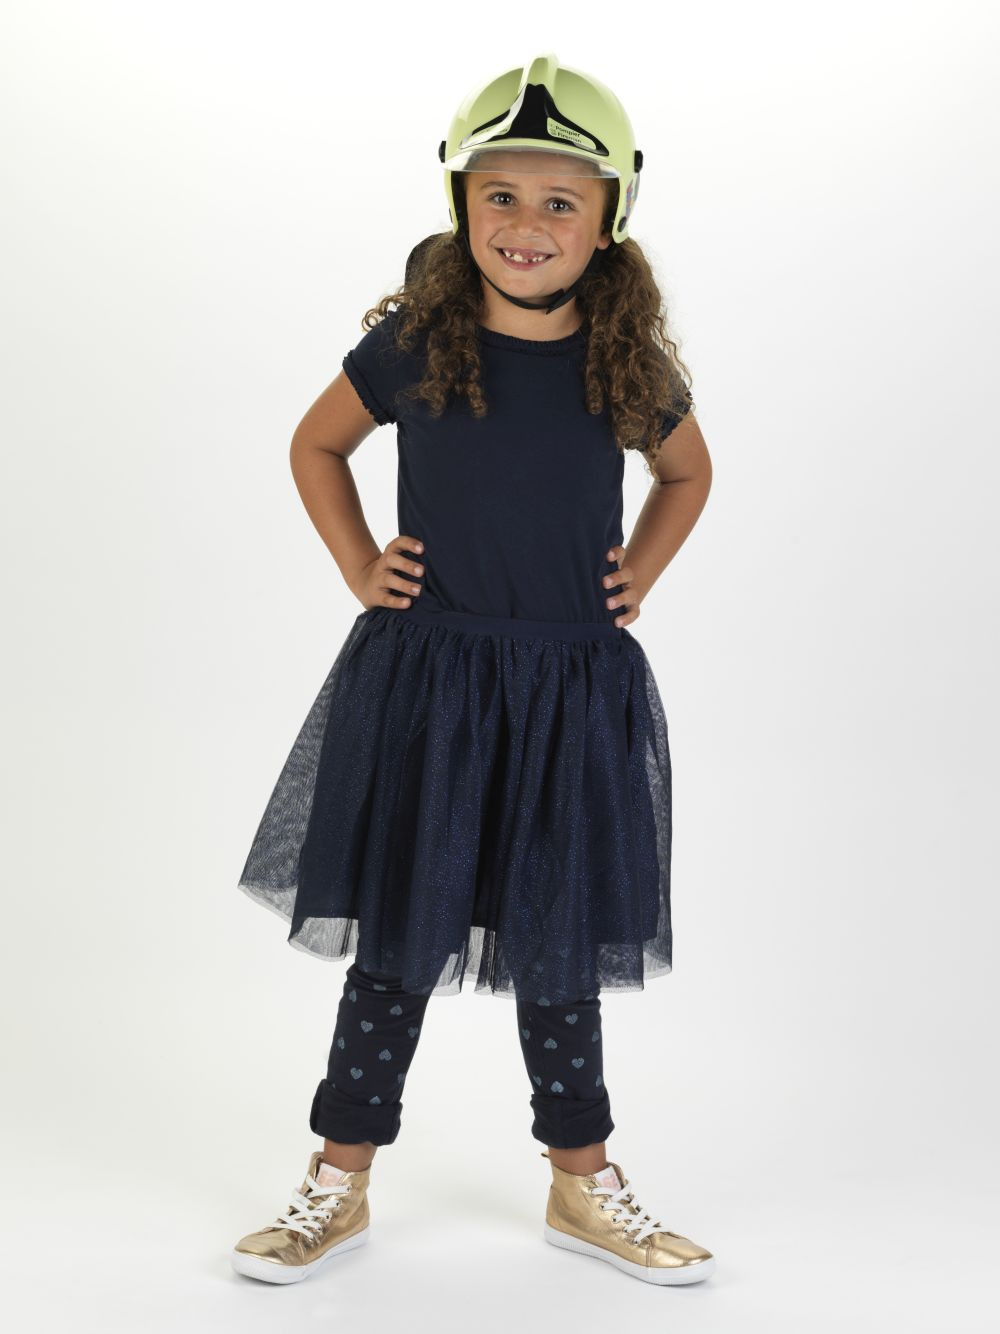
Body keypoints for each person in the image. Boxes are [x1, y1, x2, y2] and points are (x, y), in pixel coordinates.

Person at [230, 53, 715, 1288]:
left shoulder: (620, 360)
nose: (525, 222)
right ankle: (337, 1181)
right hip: (431, 686)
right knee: (397, 937)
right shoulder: (416, 343)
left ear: (609, 220)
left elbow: (686, 471)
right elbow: (316, 444)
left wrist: (640, 573)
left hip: (568, 688)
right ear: (460, 203)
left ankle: (580, 1181)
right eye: (499, 194)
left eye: (560, 200)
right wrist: (359, 564)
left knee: (559, 943)